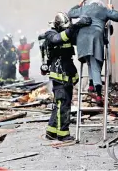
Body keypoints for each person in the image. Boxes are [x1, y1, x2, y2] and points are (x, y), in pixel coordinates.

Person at [39, 12, 92, 141]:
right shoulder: (50, 34)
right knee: (63, 105)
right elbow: (59, 38)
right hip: (59, 75)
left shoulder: (67, 33)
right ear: (57, 26)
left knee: (59, 104)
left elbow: (75, 40)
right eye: (63, 28)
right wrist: (75, 26)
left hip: (66, 73)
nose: (65, 30)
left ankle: (51, 132)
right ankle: (63, 134)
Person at [68, 0, 118, 105]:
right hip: (95, 39)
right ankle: (98, 94)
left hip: (82, 39)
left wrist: (78, 5)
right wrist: (110, 9)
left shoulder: (84, 8)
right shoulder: (103, 10)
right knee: (96, 66)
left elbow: (70, 13)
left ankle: (91, 85)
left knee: (90, 62)